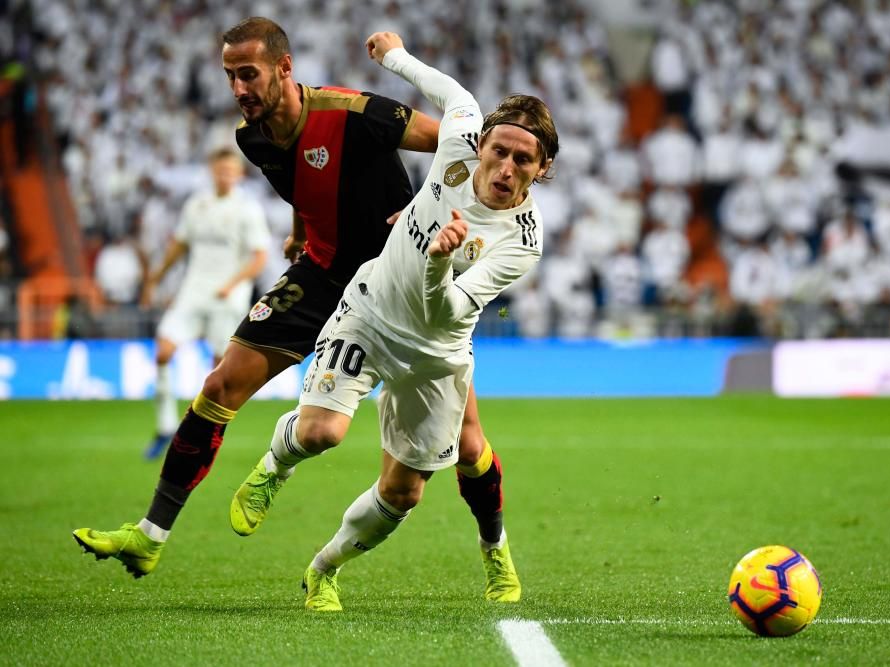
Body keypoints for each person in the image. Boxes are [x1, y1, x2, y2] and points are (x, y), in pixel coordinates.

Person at [72, 18, 522, 602]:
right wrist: (299, 231)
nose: (238, 88)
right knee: (221, 384)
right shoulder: (252, 137)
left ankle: (496, 549)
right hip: (325, 273)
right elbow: (300, 184)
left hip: (401, 275)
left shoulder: (354, 113)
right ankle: (150, 534)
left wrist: (426, 219)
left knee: (466, 446)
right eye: (230, 76)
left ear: (284, 69)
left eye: (248, 74)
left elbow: (459, 147)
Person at [228, 30, 557, 611]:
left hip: (437, 353)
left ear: (542, 169)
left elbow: (450, 309)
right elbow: (451, 90)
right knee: (320, 433)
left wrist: (435, 265)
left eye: (522, 160)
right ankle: (273, 465)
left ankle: (324, 568)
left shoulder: (522, 242)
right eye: (498, 150)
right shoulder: (458, 140)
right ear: (481, 144)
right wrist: (396, 57)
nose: (505, 167)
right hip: (371, 312)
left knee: (403, 494)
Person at [142, 147, 270, 459]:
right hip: (193, 292)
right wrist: (156, 278)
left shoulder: (247, 209)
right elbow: (179, 245)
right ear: (212, 171)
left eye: (231, 170)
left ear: (239, 174)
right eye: (220, 170)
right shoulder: (196, 205)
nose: (225, 175)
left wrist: (232, 285)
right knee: (163, 352)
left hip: (228, 298)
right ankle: (164, 426)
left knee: (218, 374)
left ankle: (203, 435)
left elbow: (259, 258)